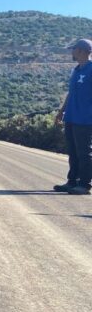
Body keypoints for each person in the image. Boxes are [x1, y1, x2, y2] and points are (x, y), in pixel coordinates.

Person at [53, 38, 92, 195]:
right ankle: (72, 181)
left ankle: (84, 184)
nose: (72, 52)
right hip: (71, 116)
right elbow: (71, 93)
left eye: (73, 49)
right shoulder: (76, 70)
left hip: (85, 118)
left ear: (82, 51)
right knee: (73, 151)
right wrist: (62, 111)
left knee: (84, 152)